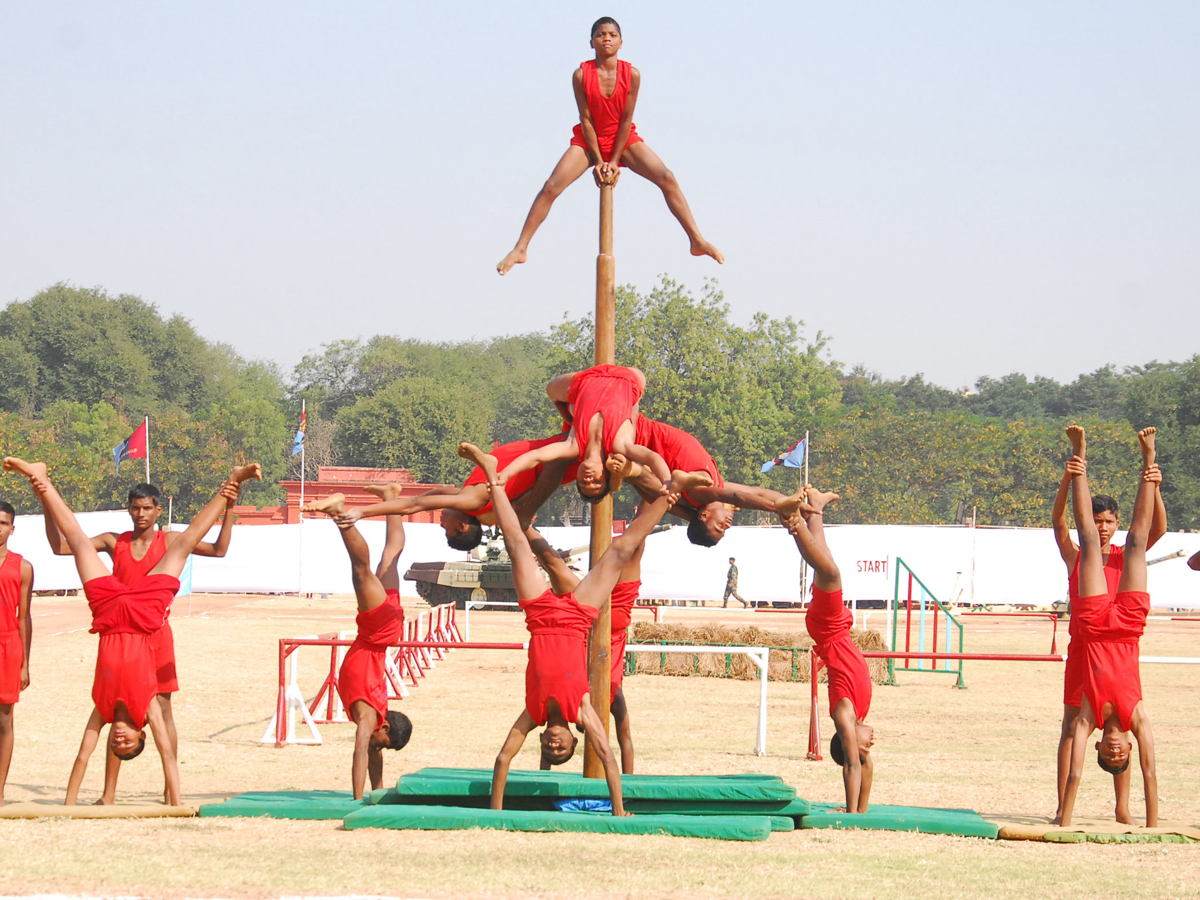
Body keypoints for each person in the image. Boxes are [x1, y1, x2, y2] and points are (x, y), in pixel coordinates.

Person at [458, 443, 706, 812]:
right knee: (621, 551)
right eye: (561, 749)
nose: (553, 745)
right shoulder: (584, 711)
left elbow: (502, 760)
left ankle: (492, 472)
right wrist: (619, 810)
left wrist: (495, 812)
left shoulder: (532, 713)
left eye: (547, 747)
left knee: (516, 543)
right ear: (575, 740)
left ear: (541, 737)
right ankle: (671, 491)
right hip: (578, 615)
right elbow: (607, 757)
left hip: (539, 615)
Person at [3, 456, 260, 806]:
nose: (140, 514)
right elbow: (166, 753)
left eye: (146, 508)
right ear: (141, 735)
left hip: (111, 614)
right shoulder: (115, 541)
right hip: (144, 616)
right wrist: (178, 805)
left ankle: (41, 480)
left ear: (156, 510)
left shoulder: (103, 710)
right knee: (182, 544)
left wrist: (68, 806)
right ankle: (230, 482)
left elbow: (218, 549)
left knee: (80, 542)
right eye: (135, 508)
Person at [496, 17, 723, 275]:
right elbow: (585, 118)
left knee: (666, 177)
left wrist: (614, 161)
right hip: (588, 139)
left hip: (622, 139)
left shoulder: (632, 75)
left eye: (612, 34)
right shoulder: (581, 74)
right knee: (551, 186)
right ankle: (521, 248)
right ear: (591, 42)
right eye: (601, 34)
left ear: (621, 42)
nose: (606, 38)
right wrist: (597, 158)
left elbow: (626, 119)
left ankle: (696, 239)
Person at [1049, 451, 1166, 824]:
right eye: (1098, 520)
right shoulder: (1079, 557)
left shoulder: (1119, 553)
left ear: (1115, 523)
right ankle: (1060, 804)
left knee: (1107, 729)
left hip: (1107, 632)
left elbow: (1150, 532)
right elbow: (1061, 525)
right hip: (1089, 642)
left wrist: (1155, 484)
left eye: (1108, 521)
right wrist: (1069, 478)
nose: (1102, 527)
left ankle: (1122, 807)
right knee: (1071, 726)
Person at [302, 493, 413, 800]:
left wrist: (377, 793)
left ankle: (392, 497)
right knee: (361, 570)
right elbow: (361, 750)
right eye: (382, 742)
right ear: (385, 727)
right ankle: (340, 513)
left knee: (390, 556)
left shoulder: (377, 713)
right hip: (377, 631)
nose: (377, 746)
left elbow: (373, 754)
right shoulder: (368, 716)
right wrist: (357, 798)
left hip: (384, 631)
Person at [785, 486, 874, 814]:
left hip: (828, 630)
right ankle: (815, 511)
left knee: (830, 571)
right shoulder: (858, 713)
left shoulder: (843, 714)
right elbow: (865, 767)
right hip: (838, 629)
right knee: (828, 566)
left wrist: (850, 816)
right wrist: (864, 813)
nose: (871, 744)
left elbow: (852, 765)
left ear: (848, 739)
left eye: (863, 746)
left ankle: (794, 522)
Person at [525, 526, 642, 773]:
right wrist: (629, 787)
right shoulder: (613, 696)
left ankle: (521, 522)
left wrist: (544, 776)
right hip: (614, 620)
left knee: (552, 564)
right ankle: (656, 497)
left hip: (583, 618)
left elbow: (549, 742)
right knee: (635, 545)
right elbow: (626, 742)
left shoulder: (563, 703)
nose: (555, 743)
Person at [498, 366, 703, 501]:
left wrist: (505, 474)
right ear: (606, 473)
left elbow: (535, 456)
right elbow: (652, 457)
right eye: (597, 482)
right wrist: (667, 483)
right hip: (627, 378)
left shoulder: (572, 445)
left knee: (552, 390)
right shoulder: (620, 445)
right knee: (634, 396)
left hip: (588, 379)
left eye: (583, 483)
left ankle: (572, 410)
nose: (589, 479)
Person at [336, 435, 575, 551]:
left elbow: (430, 496)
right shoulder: (470, 501)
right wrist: (361, 511)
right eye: (445, 528)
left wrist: (391, 497)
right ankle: (489, 467)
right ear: (461, 526)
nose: (441, 521)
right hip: (550, 458)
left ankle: (490, 466)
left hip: (544, 453)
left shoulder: (469, 501)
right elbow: (414, 505)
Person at [608, 416, 813, 545]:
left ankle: (630, 470)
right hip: (631, 432)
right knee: (665, 496)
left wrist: (778, 507)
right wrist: (794, 505)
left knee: (664, 495)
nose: (727, 526)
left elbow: (738, 496)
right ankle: (629, 471)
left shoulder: (698, 494)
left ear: (704, 516)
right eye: (724, 530)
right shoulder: (713, 487)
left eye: (719, 528)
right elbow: (755, 491)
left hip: (630, 430)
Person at [0, 501, 33, 807]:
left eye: (2, 523)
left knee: (4, 721)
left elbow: (24, 616)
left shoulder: (22, 567)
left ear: (12, 528)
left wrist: (25, 663)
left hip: (8, 646)